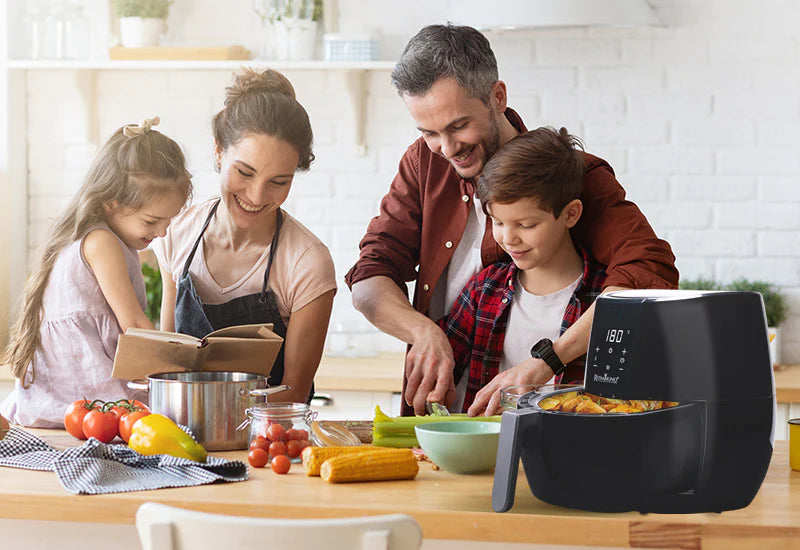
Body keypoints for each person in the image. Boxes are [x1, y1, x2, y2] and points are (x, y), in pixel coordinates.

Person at [345, 24, 679, 416]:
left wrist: (547, 362)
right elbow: (369, 277)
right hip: (449, 416)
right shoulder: (424, 162)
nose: (447, 148)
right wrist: (423, 332)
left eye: (458, 126)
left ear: (497, 97)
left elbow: (648, 273)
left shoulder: (570, 175)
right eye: (429, 132)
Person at [154, 68, 337, 405]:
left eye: (278, 182)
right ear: (219, 151)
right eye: (245, 172)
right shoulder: (176, 233)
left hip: (267, 440)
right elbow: (169, 364)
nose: (256, 195)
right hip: (181, 435)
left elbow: (294, 394)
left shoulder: (307, 261)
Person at [1, 117, 192, 427]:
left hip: (61, 398)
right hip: (85, 395)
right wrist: (175, 369)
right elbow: (132, 324)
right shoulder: (101, 242)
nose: (162, 232)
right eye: (152, 221)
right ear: (111, 204)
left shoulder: (95, 235)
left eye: (168, 222)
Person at [440, 127, 607, 415]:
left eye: (526, 225)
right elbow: (441, 374)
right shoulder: (483, 290)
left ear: (570, 214)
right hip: (483, 455)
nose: (508, 238)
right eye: (498, 222)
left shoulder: (602, 298)